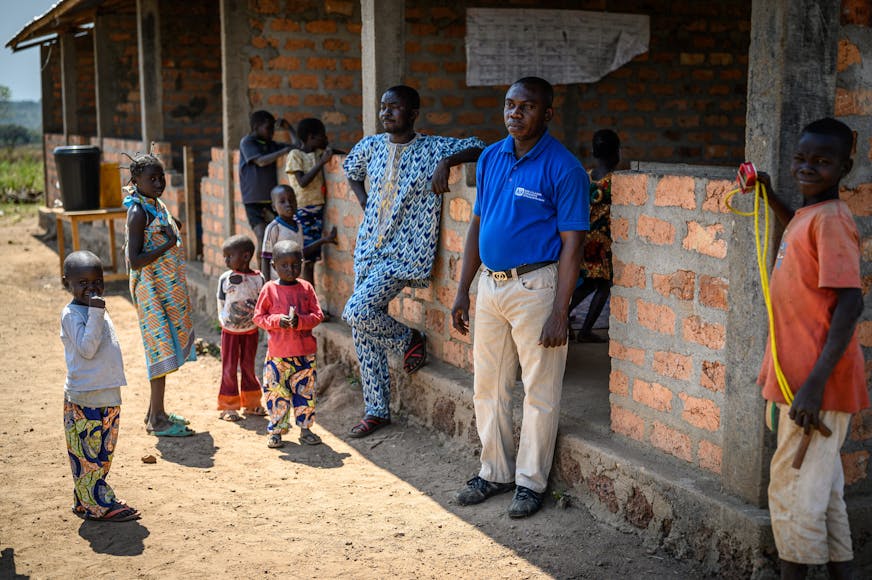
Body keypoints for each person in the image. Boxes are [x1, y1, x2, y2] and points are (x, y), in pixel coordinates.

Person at [451, 77, 589, 518]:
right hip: (490, 286)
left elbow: (574, 245)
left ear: (547, 113)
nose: (515, 114)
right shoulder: (491, 156)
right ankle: (494, 471)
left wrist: (559, 312)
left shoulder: (563, 168)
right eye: (510, 105)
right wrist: (463, 290)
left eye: (526, 107)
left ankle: (530, 482)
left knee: (539, 390)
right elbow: (477, 224)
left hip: (537, 288)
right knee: (487, 387)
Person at [755, 118, 866, 580]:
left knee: (793, 492)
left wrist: (814, 385)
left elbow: (851, 302)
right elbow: (799, 231)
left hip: (813, 389)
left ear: (845, 166)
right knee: (823, 493)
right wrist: (769, 195)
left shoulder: (834, 222)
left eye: (822, 162)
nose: (807, 167)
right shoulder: (810, 215)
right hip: (799, 382)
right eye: (801, 159)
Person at [342, 84, 485, 438]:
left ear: (413, 113)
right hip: (368, 247)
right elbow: (350, 168)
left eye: (395, 107)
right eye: (383, 107)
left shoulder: (433, 147)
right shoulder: (372, 146)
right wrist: (366, 202)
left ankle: (408, 338)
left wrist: (446, 162)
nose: (386, 113)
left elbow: (481, 146)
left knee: (357, 312)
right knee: (363, 329)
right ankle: (376, 409)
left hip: (405, 251)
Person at [60, 250, 140, 522]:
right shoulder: (72, 314)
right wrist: (96, 312)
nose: (91, 288)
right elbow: (87, 349)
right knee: (87, 457)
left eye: (97, 281)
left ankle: (86, 500)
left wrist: (97, 312)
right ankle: (99, 505)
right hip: (84, 398)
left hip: (108, 395)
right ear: (66, 283)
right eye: (82, 283)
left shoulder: (97, 310)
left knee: (102, 456)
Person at [124, 153, 196, 437]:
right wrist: (167, 243)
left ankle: (155, 412)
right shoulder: (137, 212)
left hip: (165, 289)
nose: (158, 182)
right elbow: (135, 259)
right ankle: (157, 421)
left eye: (160, 177)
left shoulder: (155, 205)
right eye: (151, 178)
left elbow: (174, 225)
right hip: (150, 291)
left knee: (164, 346)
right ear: (135, 181)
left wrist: (171, 229)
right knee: (159, 349)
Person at [253, 240, 325, 449]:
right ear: (274, 266)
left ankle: (306, 430)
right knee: (277, 395)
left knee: (305, 394)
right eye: (284, 265)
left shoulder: (306, 288)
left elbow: (317, 315)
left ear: (302, 263)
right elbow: (259, 317)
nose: (290, 269)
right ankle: (276, 431)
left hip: (305, 356)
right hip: (278, 357)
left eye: (295, 264)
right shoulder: (269, 289)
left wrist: (300, 321)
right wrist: (277, 321)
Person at [569, 129, 620, 342]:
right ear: (618, 152)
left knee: (590, 283)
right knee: (604, 285)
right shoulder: (615, 182)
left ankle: (563, 315)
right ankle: (586, 331)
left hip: (586, 238)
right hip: (604, 243)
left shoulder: (586, 176)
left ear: (593, 152)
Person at [216, 234, 266, 421]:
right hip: (230, 332)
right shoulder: (225, 279)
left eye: (230, 256)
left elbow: (261, 302)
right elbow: (220, 301)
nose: (226, 260)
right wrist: (224, 321)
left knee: (249, 367)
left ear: (245, 257)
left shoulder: (258, 278)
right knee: (229, 368)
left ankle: (252, 404)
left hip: (250, 332)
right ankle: (228, 407)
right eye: (225, 257)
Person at [239, 110, 297, 256]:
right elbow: (260, 161)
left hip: (272, 201)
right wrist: (284, 151)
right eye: (268, 128)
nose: (272, 132)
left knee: (276, 236)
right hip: (253, 200)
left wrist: (289, 128)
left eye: (273, 128)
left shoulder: (271, 144)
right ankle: (262, 274)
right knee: (261, 236)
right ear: (256, 126)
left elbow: (297, 146)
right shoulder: (248, 142)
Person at [284, 117, 334, 287]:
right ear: (311, 137)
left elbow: (336, 153)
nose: (325, 139)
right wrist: (321, 162)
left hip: (316, 211)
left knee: (312, 258)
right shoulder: (295, 155)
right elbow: (303, 182)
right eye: (322, 136)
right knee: (305, 257)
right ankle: (306, 300)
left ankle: (310, 300)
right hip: (303, 211)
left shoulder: (318, 153)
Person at [260, 184, 337, 282]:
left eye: (291, 200)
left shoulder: (299, 225)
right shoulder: (273, 228)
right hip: (278, 282)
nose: (288, 204)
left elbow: (300, 252)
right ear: (274, 207)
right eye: (282, 202)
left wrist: (323, 240)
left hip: (295, 279)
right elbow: (266, 258)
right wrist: (266, 286)